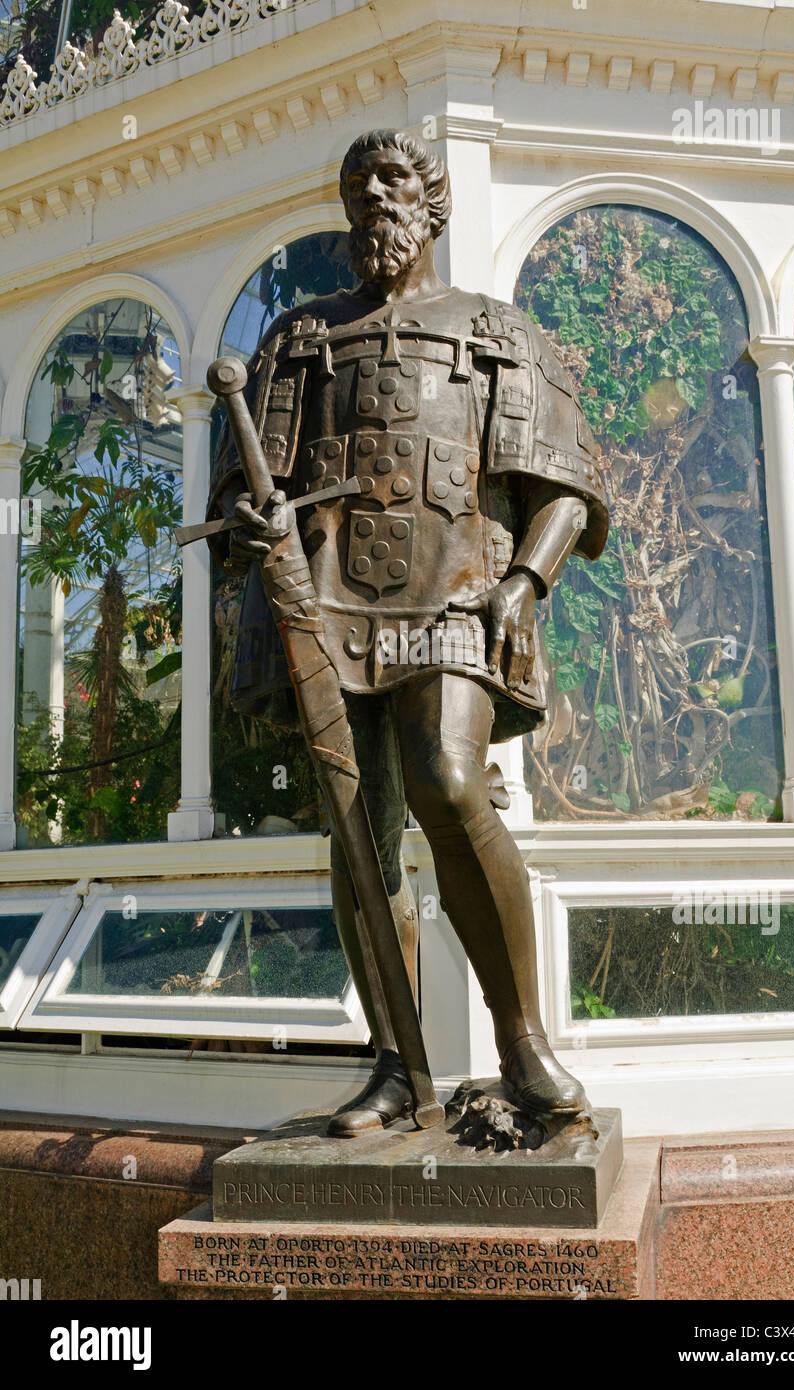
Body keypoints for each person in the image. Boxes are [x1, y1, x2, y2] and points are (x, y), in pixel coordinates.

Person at [207, 129, 608, 1134]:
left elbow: (563, 491)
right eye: (357, 187)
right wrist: (255, 522)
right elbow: (243, 495)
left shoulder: (493, 332)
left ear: (429, 203)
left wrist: (523, 580)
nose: (372, 202)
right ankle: (395, 1067)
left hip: (456, 595)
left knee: (447, 779)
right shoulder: (299, 338)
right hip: (329, 606)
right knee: (356, 829)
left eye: (392, 183)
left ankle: (522, 1050)